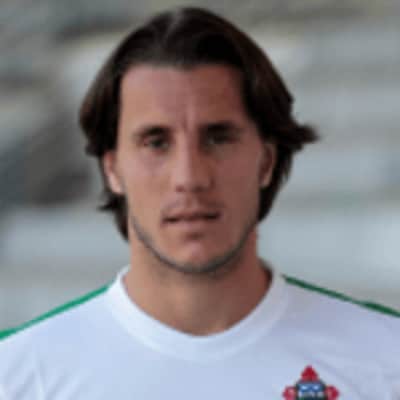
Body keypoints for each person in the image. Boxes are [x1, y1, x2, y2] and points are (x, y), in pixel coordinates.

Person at [0, 6, 399, 400]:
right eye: (156, 142)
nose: (189, 177)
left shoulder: (385, 359)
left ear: (266, 161)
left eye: (218, 138)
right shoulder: (16, 375)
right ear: (112, 169)